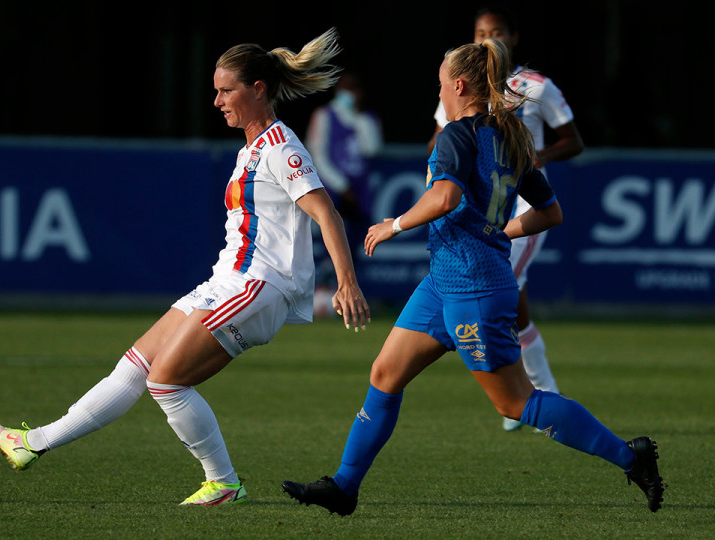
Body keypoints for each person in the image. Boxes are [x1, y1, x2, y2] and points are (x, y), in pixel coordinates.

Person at [0, 28, 370, 506]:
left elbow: (326, 211)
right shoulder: (251, 149)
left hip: (259, 285)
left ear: (257, 90)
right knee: (134, 368)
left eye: (226, 90)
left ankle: (224, 483)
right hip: (225, 281)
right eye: (215, 89)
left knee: (165, 381)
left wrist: (347, 282)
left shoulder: (280, 147)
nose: (217, 101)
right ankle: (33, 443)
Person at [281, 39, 663, 516]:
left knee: (516, 403)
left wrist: (392, 225)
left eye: (441, 82)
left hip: (474, 288)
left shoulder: (457, 134)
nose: (438, 90)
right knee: (385, 374)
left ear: (458, 85)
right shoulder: (509, 136)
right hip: (445, 282)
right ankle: (344, 487)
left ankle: (633, 458)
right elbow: (550, 213)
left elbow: (443, 198)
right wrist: (500, 229)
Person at [427, 6, 585, 431]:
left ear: (514, 37)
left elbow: (574, 141)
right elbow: (443, 138)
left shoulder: (536, 87)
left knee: (496, 292)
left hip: (521, 204)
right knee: (516, 307)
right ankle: (540, 395)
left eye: (495, 32)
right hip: (481, 206)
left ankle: (527, 401)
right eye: (480, 32)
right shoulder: (463, 86)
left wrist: (537, 157)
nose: (486, 39)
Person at [306, 71, 383, 316]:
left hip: (360, 193)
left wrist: (358, 117)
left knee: (355, 243)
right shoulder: (324, 116)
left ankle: (347, 298)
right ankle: (323, 295)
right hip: (334, 192)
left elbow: (372, 148)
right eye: (346, 88)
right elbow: (317, 154)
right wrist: (341, 186)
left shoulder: (367, 118)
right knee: (331, 243)